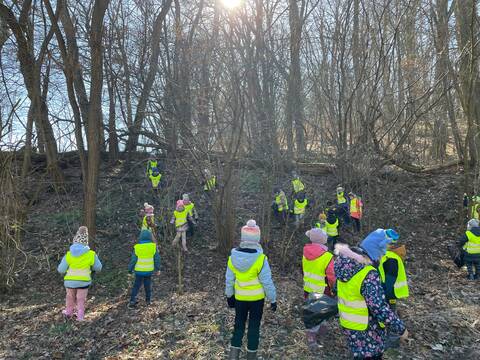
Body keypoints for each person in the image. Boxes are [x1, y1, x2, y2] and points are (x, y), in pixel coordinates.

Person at [334, 229, 408, 359]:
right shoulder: (368, 274)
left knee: (357, 354)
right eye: (380, 254)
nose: (381, 257)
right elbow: (378, 307)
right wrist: (400, 328)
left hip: (348, 324)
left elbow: (337, 290)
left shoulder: (344, 264)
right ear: (373, 252)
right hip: (367, 328)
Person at [225, 220, 277, 360]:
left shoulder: (232, 258)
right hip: (256, 300)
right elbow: (267, 282)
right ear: (257, 239)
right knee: (254, 328)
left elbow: (229, 280)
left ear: (243, 238)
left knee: (238, 326)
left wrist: (229, 296)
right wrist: (273, 299)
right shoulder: (261, 259)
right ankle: (251, 357)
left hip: (240, 299)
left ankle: (233, 356)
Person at [57, 226, 102, 321]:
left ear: (75, 241)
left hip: (70, 281)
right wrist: (93, 268)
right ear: (86, 243)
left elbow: (61, 269)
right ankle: (80, 316)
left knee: (70, 297)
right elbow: (98, 267)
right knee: (81, 299)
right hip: (84, 281)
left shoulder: (69, 254)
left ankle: (69, 312)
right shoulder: (91, 254)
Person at [302, 228, 336, 349]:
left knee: (312, 313)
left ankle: (317, 336)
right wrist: (334, 288)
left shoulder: (305, 253)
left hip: (308, 288)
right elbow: (332, 276)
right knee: (321, 313)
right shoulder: (327, 257)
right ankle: (314, 338)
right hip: (323, 290)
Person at [128, 230, 161, 308]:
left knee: (136, 286)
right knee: (147, 285)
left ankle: (132, 301)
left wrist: (130, 269)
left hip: (139, 271)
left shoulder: (137, 247)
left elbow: (133, 260)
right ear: (150, 237)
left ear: (140, 237)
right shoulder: (153, 247)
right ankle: (148, 301)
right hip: (148, 271)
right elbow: (157, 258)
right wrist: (158, 268)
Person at [378, 230, 409, 312]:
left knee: (387, 318)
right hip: (389, 294)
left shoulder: (390, 258)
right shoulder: (386, 255)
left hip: (388, 294)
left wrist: (383, 295)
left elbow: (390, 280)